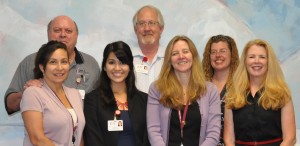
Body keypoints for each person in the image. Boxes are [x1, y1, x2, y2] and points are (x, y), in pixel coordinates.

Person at [5, 15, 100, 115]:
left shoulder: (90, 64)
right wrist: (28, 93)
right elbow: (10, 105)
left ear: (76, 36)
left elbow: (99, 105)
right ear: (48, 34)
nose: (63, 35)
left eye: (68, 31)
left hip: (82, 129)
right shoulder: (30, 62)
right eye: (57, 30)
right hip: (42, 129)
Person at [147, 35, 221, 146]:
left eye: (185, 51)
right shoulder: (156, 89)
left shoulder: (210, 90)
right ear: (169, 60)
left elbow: (213, 133)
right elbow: (153, 130)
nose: (181, 57)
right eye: (175, 53)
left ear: (193, 56)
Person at [224, 39, 296, 146]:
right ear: (245, 61)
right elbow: (228, 139)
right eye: (252, 57)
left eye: (262, 57)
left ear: (269, 61)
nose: (256, 61)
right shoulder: (232, 94)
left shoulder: (282, 94)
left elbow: (290, 138)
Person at [84, 41, 150, 146]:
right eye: (111, 62)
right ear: (104, 67)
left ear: (130, 67)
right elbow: (93, 140)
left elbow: (147, 139)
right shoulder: (92, 100)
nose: (117, 68)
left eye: (122, 62)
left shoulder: (144, 100)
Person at [21, 41, 85, 146]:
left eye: (64, 62)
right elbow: (38, 139)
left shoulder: (75, 94)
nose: (59, 68)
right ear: (42, 67)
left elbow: (79, 136)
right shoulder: (32, 93)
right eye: (53, 62)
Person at [202, 34, 239, 146]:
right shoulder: (200, 86)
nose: (218, 55)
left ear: (232, 55)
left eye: (223, 51)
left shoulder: (241, 86)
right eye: (213, 52)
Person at [132, 5, 165, 93]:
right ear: (135, 29)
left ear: (161, 28)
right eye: (142, 23)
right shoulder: (126, 59)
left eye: (151, 23)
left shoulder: (171, 58)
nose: (147, 28)